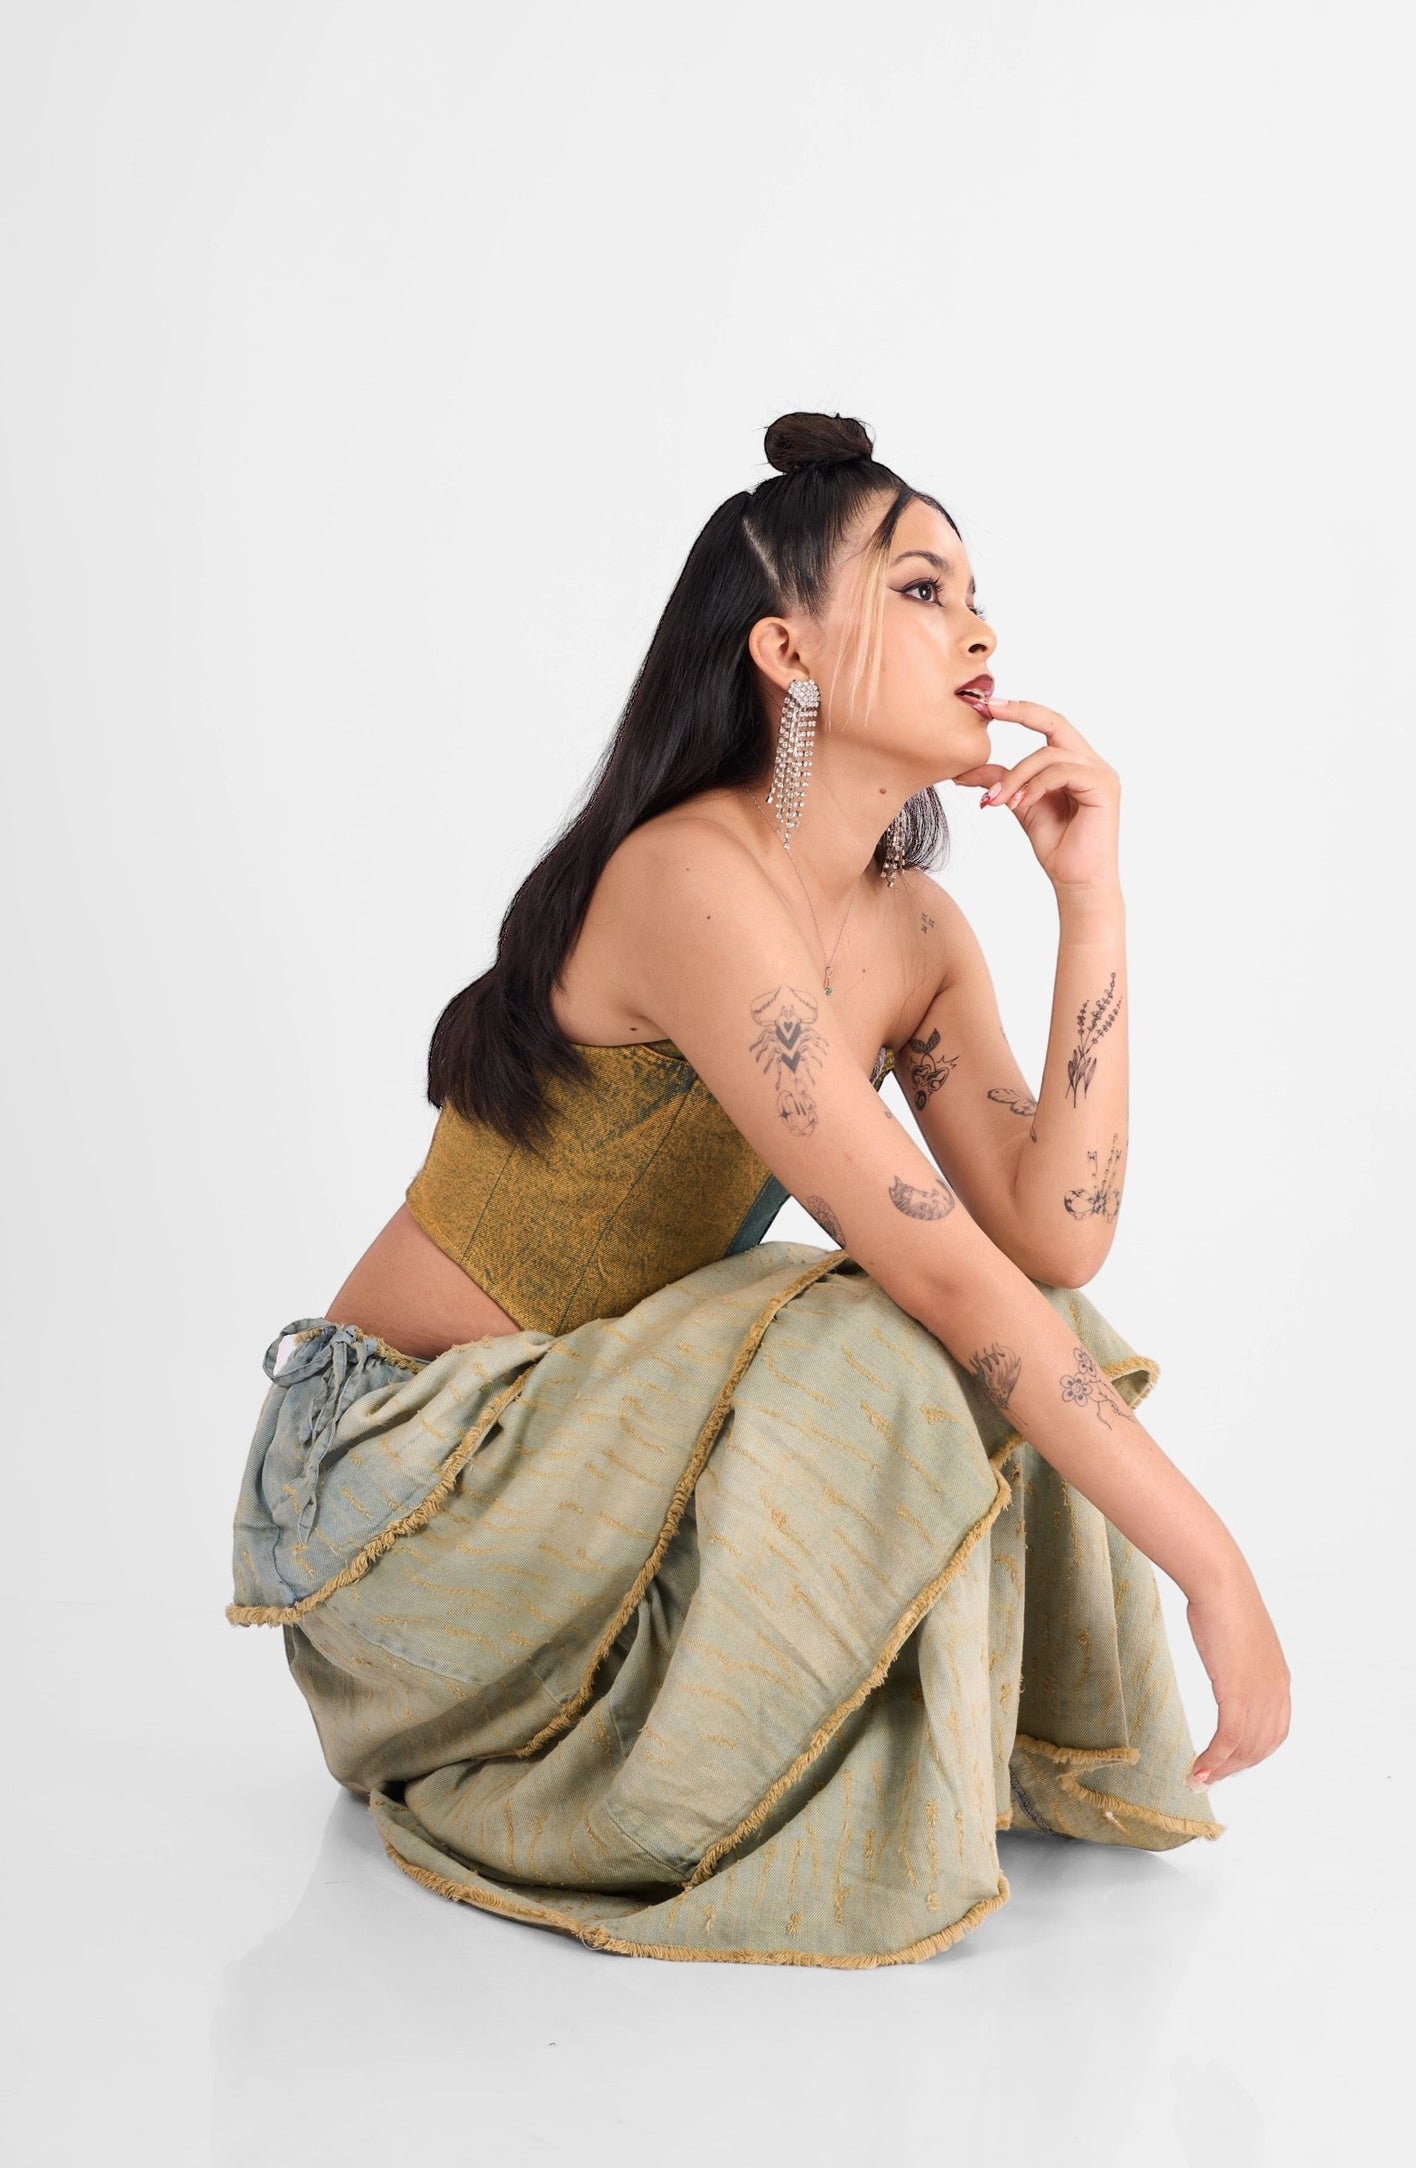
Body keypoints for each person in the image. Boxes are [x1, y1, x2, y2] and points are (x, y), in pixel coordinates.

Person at [227, 410, 1290, 1969]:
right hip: (404, 1501)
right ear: (786, 654)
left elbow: (1052, 1238)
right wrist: (1211, 1567)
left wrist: (1091, 901)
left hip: (592, 1475)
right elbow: (941, 1278)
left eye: (976, 596)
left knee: (990, 1315)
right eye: (920, 589)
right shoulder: (689, 879)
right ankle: (649, 1787)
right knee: (876, 1323)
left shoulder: (913, 932)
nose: (979, 631)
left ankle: (866, 1760)